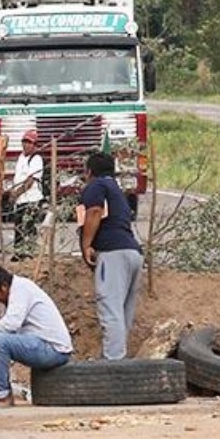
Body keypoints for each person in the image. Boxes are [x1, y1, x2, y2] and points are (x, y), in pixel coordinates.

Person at [0, 265, 73, 409]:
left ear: (3, 287)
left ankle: (1, 396)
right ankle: (0, 393)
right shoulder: (13, 293)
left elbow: (10, 325)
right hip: (41, 345)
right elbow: (6, 327)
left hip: (53, 350)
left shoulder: (21, 290)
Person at [79, 151, 144, 360]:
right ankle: (119, 360)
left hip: (113, 254)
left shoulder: (96, 186)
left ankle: (113, 364)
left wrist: (87, 244)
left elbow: (94, 211)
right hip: (133, 253)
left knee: (111, 310)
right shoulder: (117, 190)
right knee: (123, 313)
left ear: (89, 172)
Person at [6, 129, 44, 260]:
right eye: (24, 142)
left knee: (28, 226)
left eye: (29, 143)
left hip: (32, 198)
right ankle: (18, 253)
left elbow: (30, 182)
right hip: (20, 199)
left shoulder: (36, 159)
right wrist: (12, 191)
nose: (26, 145)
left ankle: (29, 252)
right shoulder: (21, 158)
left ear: (34, 145)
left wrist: (17, 193)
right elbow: (17, 177)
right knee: (18, 226)